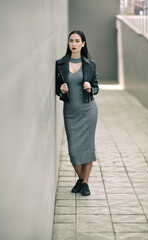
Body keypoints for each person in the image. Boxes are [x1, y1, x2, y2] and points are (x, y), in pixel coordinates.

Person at [55, 30, 99, 196]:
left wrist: (90, 88)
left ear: (83, 44)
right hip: (70, 113)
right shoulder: (60, 64)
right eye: (71, 41)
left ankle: (85, 183)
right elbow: (56, 88)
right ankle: (81, 179)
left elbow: (96, 87)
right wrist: (61, 89)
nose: (73, 44)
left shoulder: (90, 64)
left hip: (88, 111)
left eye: (77, 41)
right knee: (73, 150)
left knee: (87, 148)